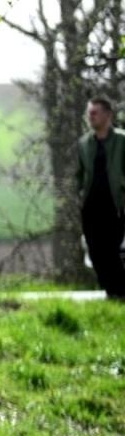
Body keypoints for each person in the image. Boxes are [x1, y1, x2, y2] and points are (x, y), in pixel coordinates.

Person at [76, 95, 125, 299]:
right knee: (95, 250)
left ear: (107, 115)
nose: (90, 116)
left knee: (111, 249)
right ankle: (112, 291)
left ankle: (119, 293)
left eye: (95, 113)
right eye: (89, 113)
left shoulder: (122, 140)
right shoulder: (84, 143)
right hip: (91, 205)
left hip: (115, 204)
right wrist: (79, 193)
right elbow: (79, 174)